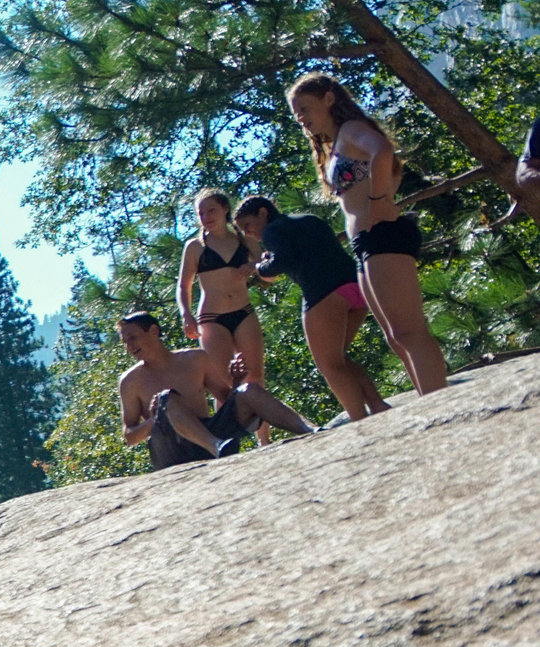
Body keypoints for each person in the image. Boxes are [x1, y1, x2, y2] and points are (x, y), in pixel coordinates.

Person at [285, 72, 449, 400]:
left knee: (409, 330)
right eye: (296, 114)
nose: (301, 118)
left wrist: (376, 201)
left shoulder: (352, 130)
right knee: (394, 336)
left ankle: (442, 404)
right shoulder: (335, 146)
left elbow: (383, 151)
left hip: (384, 234)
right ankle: (429, 399)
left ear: (329, 99)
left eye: (304, 108)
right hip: (366, 244)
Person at [235, 195, 386, 423]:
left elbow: (280, 263)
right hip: (356, 288)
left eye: (247, 225)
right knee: (338, 358)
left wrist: (258, 267)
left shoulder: (273, 230)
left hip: (325, 294)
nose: (247, 233)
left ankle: (360, 420)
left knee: (329, 365)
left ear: (263, 213)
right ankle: (377, 404)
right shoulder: (307, 218)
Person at [114, 310, 315, 470]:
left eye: (132, 338)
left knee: (248, 390)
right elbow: (130, 436)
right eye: (124, 342)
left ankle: (309, 430)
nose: (128, 346)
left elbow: (229, 401)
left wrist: (236, 382)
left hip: (210, 432)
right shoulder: (130, 381)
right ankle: (216, 447)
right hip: (173, 449)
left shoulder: (195, 359)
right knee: (166, 399)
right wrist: (155, 418)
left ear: (154, 331)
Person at [177, 187, 266, 390]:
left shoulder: (245, 240)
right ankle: (232, 421)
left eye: (211, 210)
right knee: (228, 383)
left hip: (244, 311)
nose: (206, 217)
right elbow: (183, 285)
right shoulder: (195, 247)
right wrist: (186, 315)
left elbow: (270, 273)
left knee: (256, 377)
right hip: (211, 318)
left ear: (225, 209)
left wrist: (253, 266)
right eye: (201, 213)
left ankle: (263, 423)